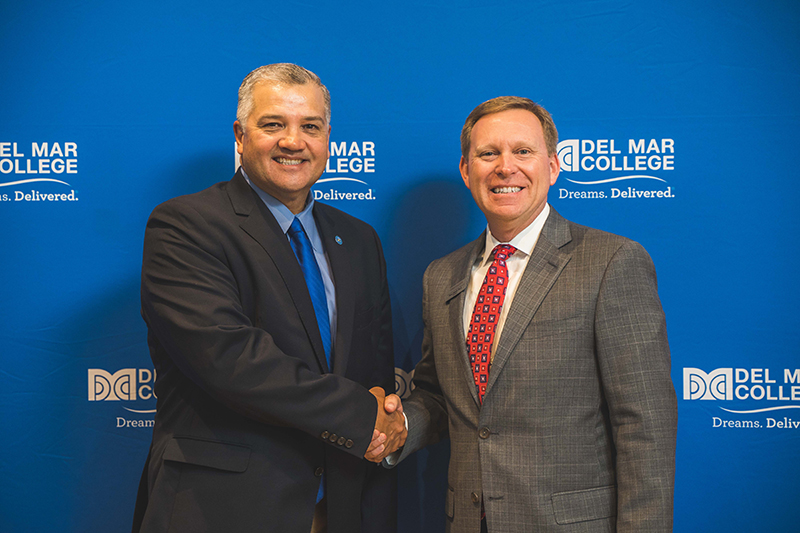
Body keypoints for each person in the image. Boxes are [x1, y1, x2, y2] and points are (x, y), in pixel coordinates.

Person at [372, 96, 677, 532]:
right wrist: (397, 425)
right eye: (487, 153)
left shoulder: (611, 262)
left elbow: (644, 426)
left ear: (552, 166)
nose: (504, 167)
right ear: (466, 171)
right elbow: (441, 396)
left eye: (523, 151)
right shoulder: (441, 276)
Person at [132, 63, 405, 533]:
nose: (293, 141)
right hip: (222, 509)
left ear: (327, 140)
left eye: (310, 127)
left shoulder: (359, 240)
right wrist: (366, 416)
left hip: (337, 508)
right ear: (240, 135)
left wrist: (390, 414)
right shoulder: (186, 225)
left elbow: (374, 373)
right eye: (273, 124)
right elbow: (232, 361)